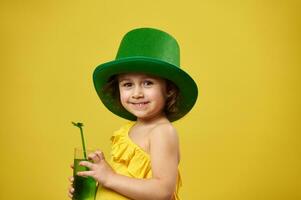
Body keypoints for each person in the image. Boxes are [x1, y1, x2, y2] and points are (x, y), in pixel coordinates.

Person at [68, 27, 198, 200]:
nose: (137, 93)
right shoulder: (129, 130)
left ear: (169, 89)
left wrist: (109, 177)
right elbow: (127, 183)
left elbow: (163, 191)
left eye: (147, 83)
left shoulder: (162, 131)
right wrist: (97, 182)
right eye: (127, 84)